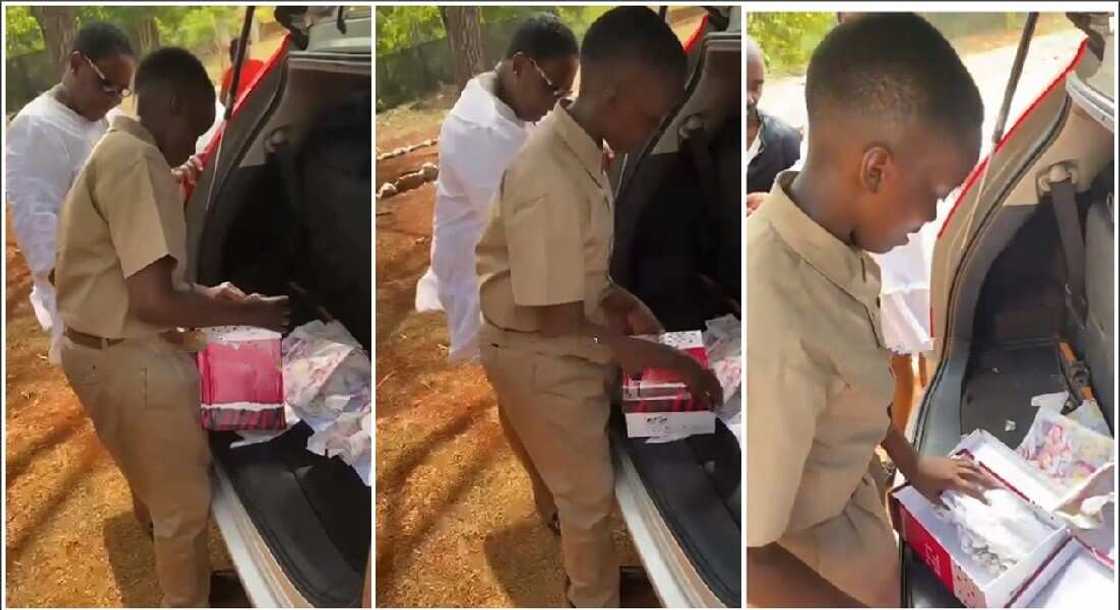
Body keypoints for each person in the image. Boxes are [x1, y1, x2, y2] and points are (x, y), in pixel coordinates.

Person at [475, 7, 723, 607]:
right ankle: (592, 596)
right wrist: (672, 362)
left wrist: (625, 300)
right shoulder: (549, 177)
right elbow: (561, 324)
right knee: (586, 500)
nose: (657, 126)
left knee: (582, 480)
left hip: (560, 336)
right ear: (612, 94)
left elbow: (585, 274)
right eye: (651, 115)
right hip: (540, 353)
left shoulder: (587, 150)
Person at [746, 14, 993, 607]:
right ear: (876, 168)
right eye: (933, 194)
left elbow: (853, 391)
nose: (932, 218)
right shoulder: (780, 323)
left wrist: (910, 461)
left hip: (862, 525)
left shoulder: (837, 246)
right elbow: (753, 556)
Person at [54, 47, 289, 607]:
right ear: (176, 105)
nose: (192, 149)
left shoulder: (112, 147)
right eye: (197, 130)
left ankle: (191, 582)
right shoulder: (138, 164)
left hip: (92, 348)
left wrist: (213, 297)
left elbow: (132, 278)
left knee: (152, 481)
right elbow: (155, 302)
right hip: (130, 364)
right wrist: (245, 314)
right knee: (183, 511)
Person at [415, 14, 579, 363]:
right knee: (528, 375)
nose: (554, 104)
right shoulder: (482, 130)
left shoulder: (505, 96)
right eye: (552, 89)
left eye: (563, 93)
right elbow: (527, 229)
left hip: (508, 264)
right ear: (520, 66)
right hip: (488, 279)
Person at [5, 22, 135, 365]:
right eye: (106, 85)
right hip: (89, 315)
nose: (113, 99)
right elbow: (43, 246)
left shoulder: (105, 117)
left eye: (122, 90)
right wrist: (100, 304)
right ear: (76, 64)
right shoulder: (35, 129)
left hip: (126, 294)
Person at [746, 35, 800, 215]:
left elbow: (800, 209)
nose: (749, 98)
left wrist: (772, 210)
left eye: (756, 87)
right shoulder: (707, 138)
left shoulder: (786, 141)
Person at [220, 38, 265, 106]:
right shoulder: (230, 75)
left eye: (247, 47)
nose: (248, 50)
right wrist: (236, 106)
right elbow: (223, 98)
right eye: (245, 47)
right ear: (235, 51)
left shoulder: (259, 64)